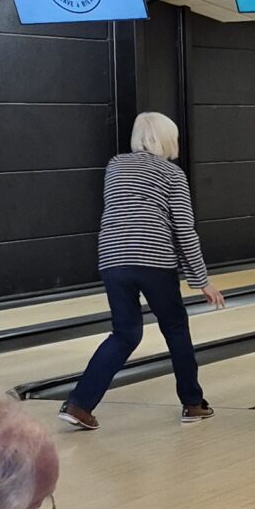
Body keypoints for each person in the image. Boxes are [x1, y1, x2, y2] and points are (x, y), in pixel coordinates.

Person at [59, 112, 224, 431]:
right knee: (175, 328)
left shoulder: (115, 166)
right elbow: (184, 229)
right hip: (154, 258)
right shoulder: (172, 173)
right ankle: (193, 404)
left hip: (112, 258)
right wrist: (202, 280)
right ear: (169, 139)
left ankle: (79, 404)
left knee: (125, 333)